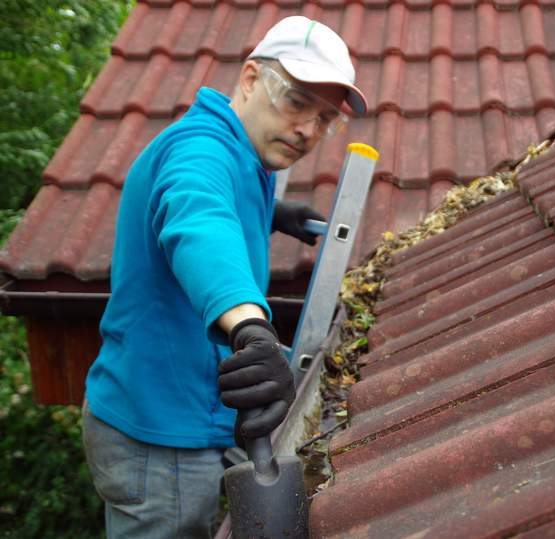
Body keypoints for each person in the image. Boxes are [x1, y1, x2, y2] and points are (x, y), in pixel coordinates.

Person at [81, 16, 367, 538]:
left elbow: (223, 208)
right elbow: (199, 221)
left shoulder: (248, 156)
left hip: (197, 408)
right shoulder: (201, 149)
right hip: (157, 430)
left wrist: (270, 213)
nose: (308, 130)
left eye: (326, 118)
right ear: (252, 80)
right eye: (297, 101)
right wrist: (251, 330)